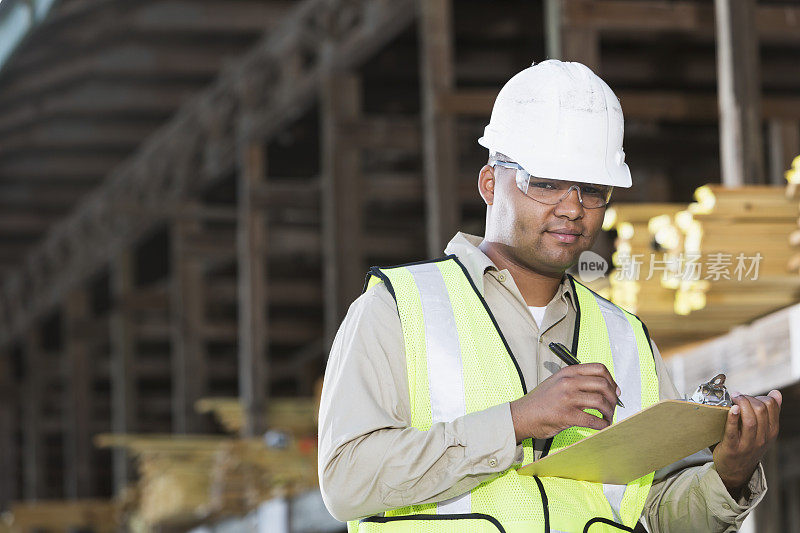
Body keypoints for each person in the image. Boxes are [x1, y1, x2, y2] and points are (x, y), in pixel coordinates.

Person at [318, 60, 780, 532]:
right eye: (546, 183)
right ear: (490, 184)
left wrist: (731, 475)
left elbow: (658, 515)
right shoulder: (398, 310)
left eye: (593, 190)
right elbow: (346, 481)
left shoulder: (626, 339)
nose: (573, 207)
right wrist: (516, 421)